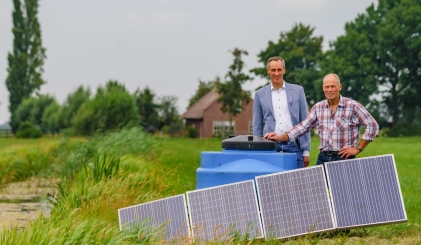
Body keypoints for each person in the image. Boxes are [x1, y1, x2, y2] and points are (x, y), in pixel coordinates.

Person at [264, 73, 379, 165]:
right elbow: (303, 127)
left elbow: (372, 125)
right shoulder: (318, 107)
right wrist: (280, 137)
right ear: (323, 88)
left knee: (343, 193)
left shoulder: (352, 106)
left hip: (344, 158)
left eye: (333, 86)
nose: (330, 90)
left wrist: (358, 148)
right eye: (327, 87)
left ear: (340, 87)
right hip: (323, 157)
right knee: (316, 193)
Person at [253, 56, 311, 168]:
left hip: (294, 146)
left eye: (279, 70)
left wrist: (306, 151)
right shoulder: (259, 94)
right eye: (273, 70)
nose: (276, 73)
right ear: (268, 71)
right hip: (270, 147)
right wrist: (258, 149)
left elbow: (305, 122)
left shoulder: (298, 91)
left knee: (298, 183)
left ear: (284, 70)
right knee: (270, 184)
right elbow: (257, 126)